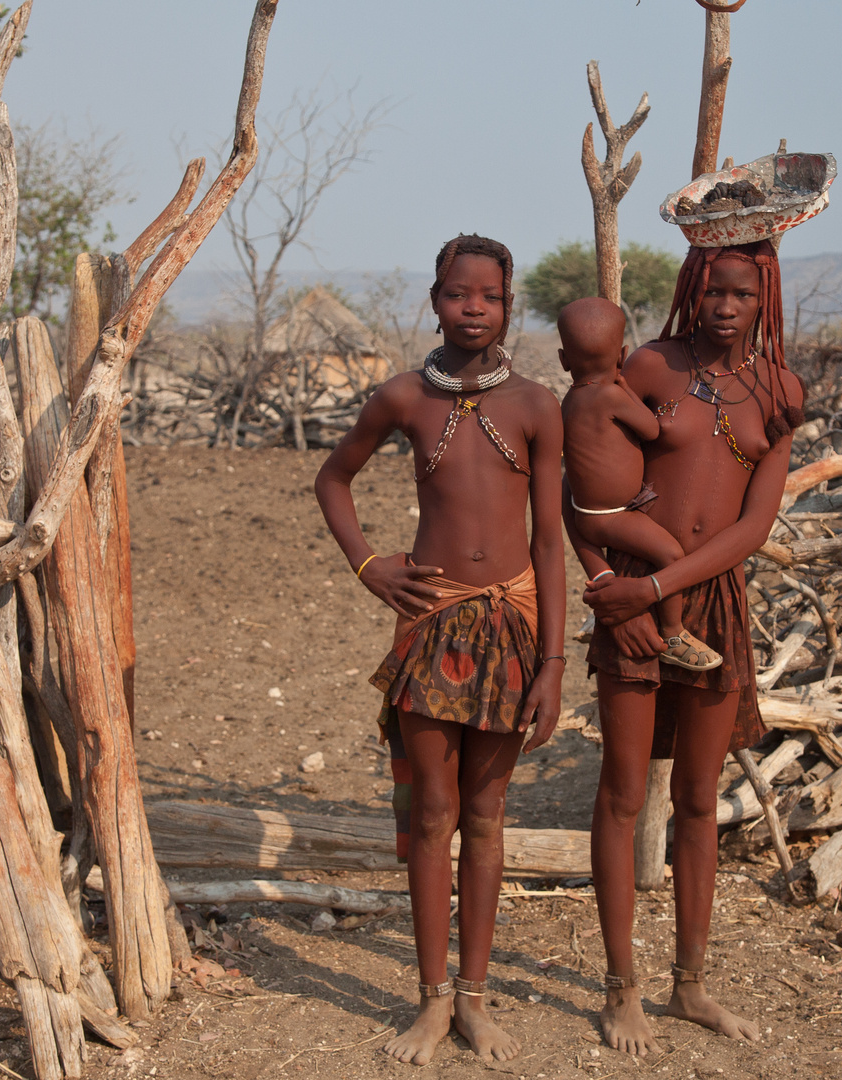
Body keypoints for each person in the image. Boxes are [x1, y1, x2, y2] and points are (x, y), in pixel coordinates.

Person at [314, 234, 566, 1067]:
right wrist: (368, 564)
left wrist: (554, 664)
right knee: (432, 812)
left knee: (487, 818)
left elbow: (553, 542)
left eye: (488, 297)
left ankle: (476, 999)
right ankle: (428, 1001)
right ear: (435, 300)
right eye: (458, 294)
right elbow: (332, 478)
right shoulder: (400, 399)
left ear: (506, 306)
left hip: (512, 627)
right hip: (430, 623)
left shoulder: (535, 404)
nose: (472, 308)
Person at [568, 239, 804, 1056]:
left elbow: (754, 526)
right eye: (711, 291)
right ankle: (619, 987)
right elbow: (585, 487)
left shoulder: (780, 390)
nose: (724, 307)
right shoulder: (649, 366)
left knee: (700, 798)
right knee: (623, 792)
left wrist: (660, 590)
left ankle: (692, 985)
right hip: (630, 598)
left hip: (705, 603)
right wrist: (608, 587)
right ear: (690, 293)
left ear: (763, 295)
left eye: (740, 293)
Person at [557, 296, 722, 672]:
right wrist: (626, 386)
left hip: (586, 514)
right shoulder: (613, 394)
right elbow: (651, 429)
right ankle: (674, 632)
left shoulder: (569, 401)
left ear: (565, 360)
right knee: (671, 554)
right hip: (613, 517)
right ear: (623, 354)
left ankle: (671, 629)